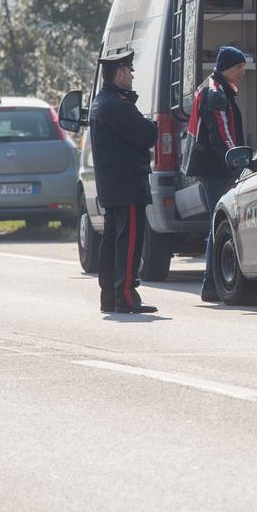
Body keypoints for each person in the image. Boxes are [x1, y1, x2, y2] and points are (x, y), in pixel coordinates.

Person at [90, 47, 158, 314]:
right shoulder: (117, 105)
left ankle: (110, 296)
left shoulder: (103, 101)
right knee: (129, 244)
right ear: (119, 73)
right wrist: (151, 124)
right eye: (129, 70)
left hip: (113, 185)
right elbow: (146, 134)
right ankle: (127, 297)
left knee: (112, 243)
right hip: (127, 185)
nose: (131, 74)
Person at [186, 46, 248, 303]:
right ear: (227, 68)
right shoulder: (215, 93)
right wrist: (235, 159)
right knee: (219, 224)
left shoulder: (214, 88)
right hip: (216, 169)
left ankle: (212, 284)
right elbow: (221, 133)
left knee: (217, 223)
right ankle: (210, 284)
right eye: (239, 67)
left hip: (211, 168)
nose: (243, 72)